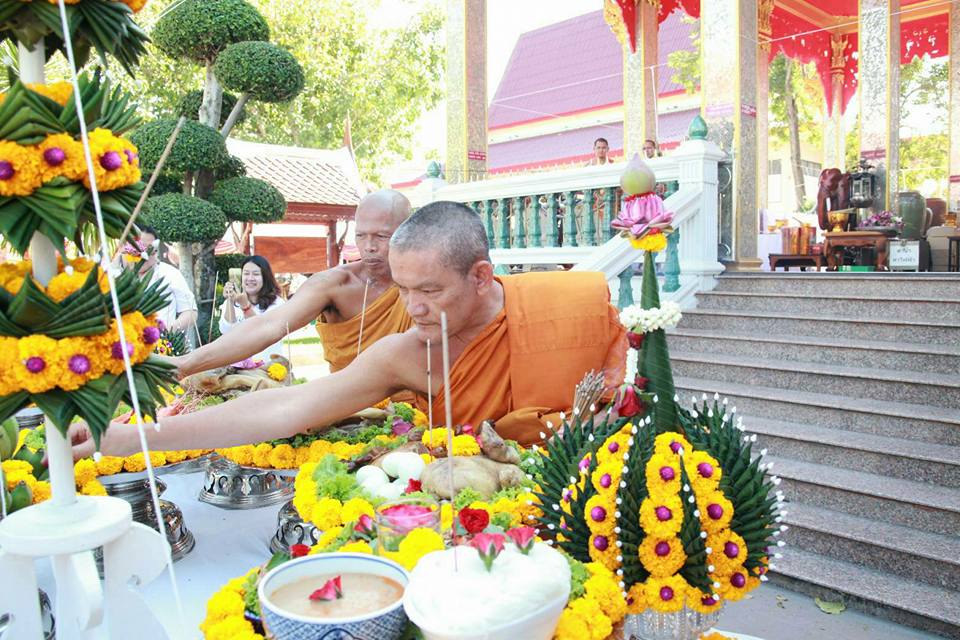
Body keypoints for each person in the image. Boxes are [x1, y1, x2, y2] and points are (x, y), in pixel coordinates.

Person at [70, 201, 627, 458]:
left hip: (582, 500)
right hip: (475, 516)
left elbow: (623, 398)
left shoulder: (570, 302)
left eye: (429, 292)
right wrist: (130, 439)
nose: (412, 309)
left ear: (481, 276)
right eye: (403, 291)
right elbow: (287, 408)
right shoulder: (405, 354)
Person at [163, 189, 413, 378]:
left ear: (408, 233)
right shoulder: (335, 284)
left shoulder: (427, 284)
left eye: (381, 236)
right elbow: (267, 326)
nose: (369, 246)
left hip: (428, 417)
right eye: (360, 235)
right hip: (354, 410)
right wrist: (186, 363)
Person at [131, 226, 198, 335]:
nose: (144, 255)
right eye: (139, 248)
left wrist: (167, 330)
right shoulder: (116, 274)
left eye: (150, 250)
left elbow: (191, 312)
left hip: (160, 345)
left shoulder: (170, 273)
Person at [219, 255, 285, 362]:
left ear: (265, 277)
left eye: (256, 274)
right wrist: (230, 301)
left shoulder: (277, 303)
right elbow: (226, 331)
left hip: (267, 367)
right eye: (246, 274)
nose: (250, 278)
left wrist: (245, 306)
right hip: (238, 367)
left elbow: (262, 333)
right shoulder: (232, 302)